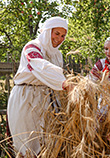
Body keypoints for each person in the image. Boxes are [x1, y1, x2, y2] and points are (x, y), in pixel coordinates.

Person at [7, 16, 70, 157]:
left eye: (63, 36)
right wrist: (64, 83)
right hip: (26, 97)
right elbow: (41, 66)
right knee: (27, 143)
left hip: (46, 99)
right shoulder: (32, 47)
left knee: (47, 144)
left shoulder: (57, 55)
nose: (59, 38)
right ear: (47, 31)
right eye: (57, 33)